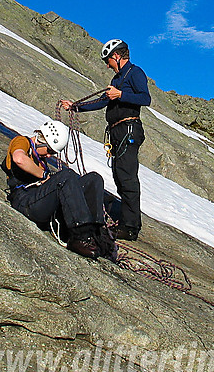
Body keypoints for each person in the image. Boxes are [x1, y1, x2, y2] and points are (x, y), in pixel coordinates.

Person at [61, 39, 150, 241]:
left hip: (129, 129)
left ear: (116, 56)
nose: (106, 65)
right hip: (118, 131)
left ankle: (130, 226)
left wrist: (121, 94)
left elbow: (145, 98)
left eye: (107, 60)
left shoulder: (135, 73)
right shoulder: (118, 79)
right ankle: (127, 222)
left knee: (127, 177)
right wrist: (75, 106)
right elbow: (101, 102)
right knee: (120, 175)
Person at [2, 119, 105, 258]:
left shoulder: (41, 158)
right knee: (66, 176)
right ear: (41, 139)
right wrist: (44, 175)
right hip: (24, 199)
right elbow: (19, 158)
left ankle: (95, 233)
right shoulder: (22, 142)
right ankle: (80, 236)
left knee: (94, 179)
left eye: (53, 153)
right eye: (49, 150)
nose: (50, 155)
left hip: (38, 199)